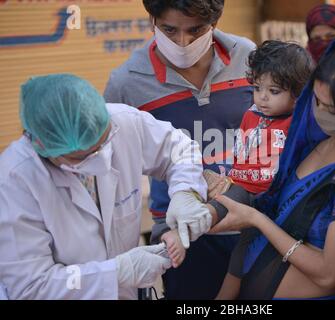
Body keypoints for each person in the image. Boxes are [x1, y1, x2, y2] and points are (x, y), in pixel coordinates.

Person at [210, 39, 335, 300]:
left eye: (331, 109)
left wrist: (255, 219)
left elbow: (329, 276)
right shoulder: (311, 139)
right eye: (315, 100)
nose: (318, 113)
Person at [0, 74, 210, 300]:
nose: (100, 159)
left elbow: (179, 150)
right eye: (82, 157)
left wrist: (185, 192)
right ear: (44, 147)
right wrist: (116, 273)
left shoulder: (122, 121)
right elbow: (32, 287)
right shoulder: (14, 181)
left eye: (103, 143)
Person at [104, 0, 255, 299]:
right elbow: (109, 167)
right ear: (152, 20)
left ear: (215, 21)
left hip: (252, 223)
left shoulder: (248, 58)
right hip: (182, 238)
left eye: (195, 30)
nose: (182, 42)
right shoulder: (127, 83)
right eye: (170, 30)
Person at [205, 40, 314, 222]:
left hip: (281, 194)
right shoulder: (251, 114)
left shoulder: (299, 123)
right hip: (244, 187)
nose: (262, 97)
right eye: (257, 88)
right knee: (219, 206)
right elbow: (242, 151)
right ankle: (198, 220)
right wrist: (229, 177)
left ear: (298, 94)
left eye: (274, 91)